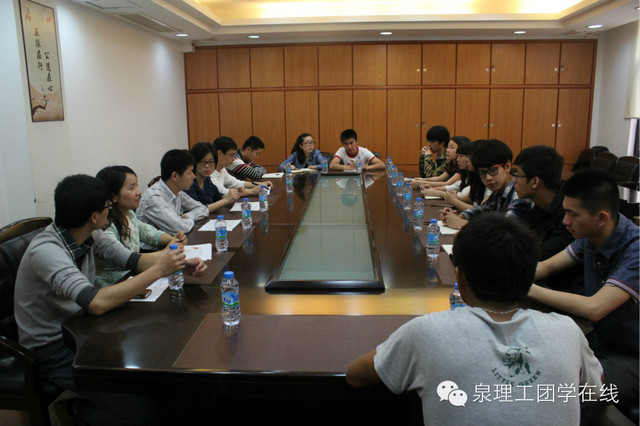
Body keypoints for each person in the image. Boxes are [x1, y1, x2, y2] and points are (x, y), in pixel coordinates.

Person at [346, 213, 603, 425]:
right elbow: (595, 390)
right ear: (529, 277)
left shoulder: (427, 332)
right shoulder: (568, 331)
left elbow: (355, 375)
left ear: (459, 278)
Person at [14, 174, 206, 425]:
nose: (110, 210)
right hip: (52, 348)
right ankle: (73, 411)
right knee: (138, 414)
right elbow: (95, 303)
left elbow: (134, 261)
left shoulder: (89, 235)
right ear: (95, 216)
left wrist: (179, 263)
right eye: (107, 206)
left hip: (83, 327)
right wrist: (160, 270)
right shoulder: (47, 251)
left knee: (157, 380)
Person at [528, 168, 638, 405]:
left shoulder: (635, 250)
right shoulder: (590, 236)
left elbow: (594, 308)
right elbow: (546, 267)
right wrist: (503, 274)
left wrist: (528, 288)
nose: (565, 221)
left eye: (572, 214)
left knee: (566, 396)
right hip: (597, 340)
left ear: (602, 218)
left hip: (630, 356)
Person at [94, 165, 188, 288]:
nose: (139, 192)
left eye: (137, 186)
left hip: (134, 275)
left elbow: (149, 233)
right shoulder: (106, 228)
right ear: (113, 197)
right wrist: (166, 251)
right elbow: (129, 259)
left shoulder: (129, 214)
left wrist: (172, 239)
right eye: (132, 188)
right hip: (115, 284)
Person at [512, 146, 583, 293]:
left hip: (562, 291)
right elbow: (517, 236)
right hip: (538, 282)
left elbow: (540, 257)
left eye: (517, 175)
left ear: (535, 181)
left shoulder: (569, 216)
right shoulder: (540, 205)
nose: (514, 181)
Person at [442, 139, 533, 230]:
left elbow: (505, 230)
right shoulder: (498, 190)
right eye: (483, 173)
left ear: (507, 166)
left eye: (493, 170)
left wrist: (462, 223)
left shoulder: (520, 193)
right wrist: (460, 216)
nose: (488, 178)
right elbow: (483, 209)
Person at [136, 149, 209, 235]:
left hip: (173, 240)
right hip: (152, 244)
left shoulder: (178, 192)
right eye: (190, 173)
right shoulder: (154, 197)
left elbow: (203, 208)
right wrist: (183, 220)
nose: (193, 176)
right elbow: (181, 228)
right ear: (175, 176)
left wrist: (185, 217)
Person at [185, 142, 241, 213]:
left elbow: (217, 195)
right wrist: (226, 200)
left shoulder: (206, 179)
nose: (207, 166)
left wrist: (231, 195)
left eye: (211, 162)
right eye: (202, 162)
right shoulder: (188, 183)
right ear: (194, 162)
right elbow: (197, 210)